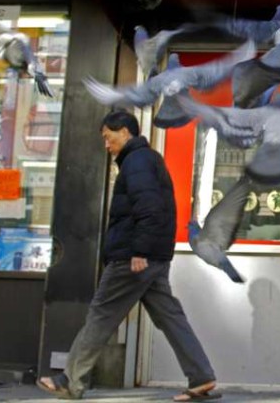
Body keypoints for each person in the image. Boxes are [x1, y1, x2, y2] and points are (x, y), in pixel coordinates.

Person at [38, 110, 219, 401]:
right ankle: (202, 376)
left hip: (133, 258)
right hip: (153, 258)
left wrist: (139, 251)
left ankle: (70, 380)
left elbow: (149, 209)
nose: (106, 145)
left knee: (102, 314)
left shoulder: (137, 161)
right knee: (170, 317)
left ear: (124, 132)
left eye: (108, 138)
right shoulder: (146, 160)